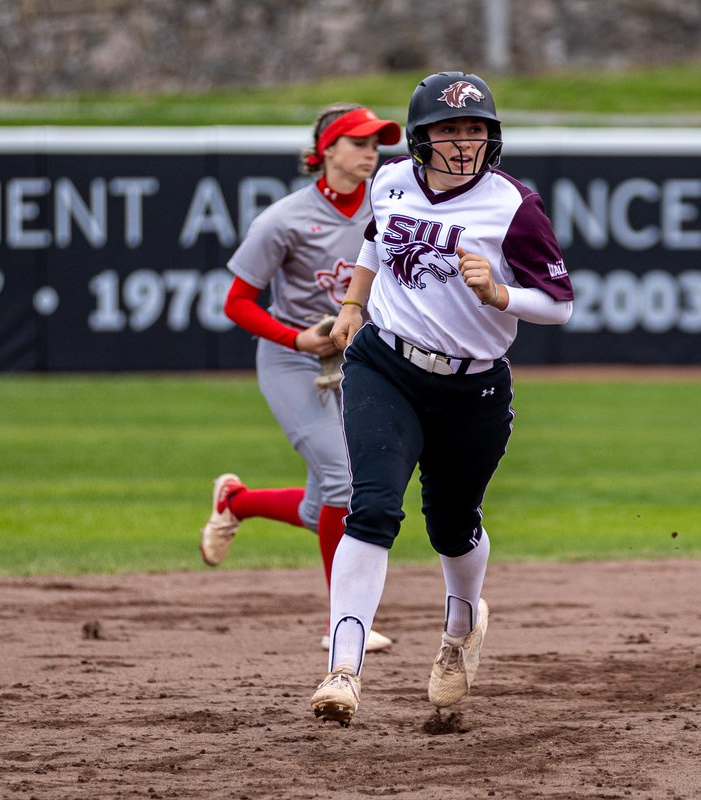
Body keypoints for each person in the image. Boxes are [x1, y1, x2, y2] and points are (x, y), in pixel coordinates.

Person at [308, 71, 575, 725]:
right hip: (385, 365)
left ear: (493, 137)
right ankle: (343, 671)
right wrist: (353, 305)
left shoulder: (513, 204)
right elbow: (375, 239)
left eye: (475, 129)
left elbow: (559, 305)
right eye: (449, 129)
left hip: (472, 385)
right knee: (372, 507)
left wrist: (500, 294)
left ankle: (458, 636)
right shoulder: (393, 179)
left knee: (451, 526)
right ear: (421, 138)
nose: (463, 142)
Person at [199, 103, 402, 653]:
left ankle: (235, 502)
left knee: (323, 508)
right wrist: (295, 339)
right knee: (344, 483)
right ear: (327, 149)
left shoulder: (390, 208)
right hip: (293, 359)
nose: (370, 152)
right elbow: (237, 302)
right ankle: (345, 623)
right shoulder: (283, 219)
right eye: (358, 142)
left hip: (357, 361)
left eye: (376, 143)